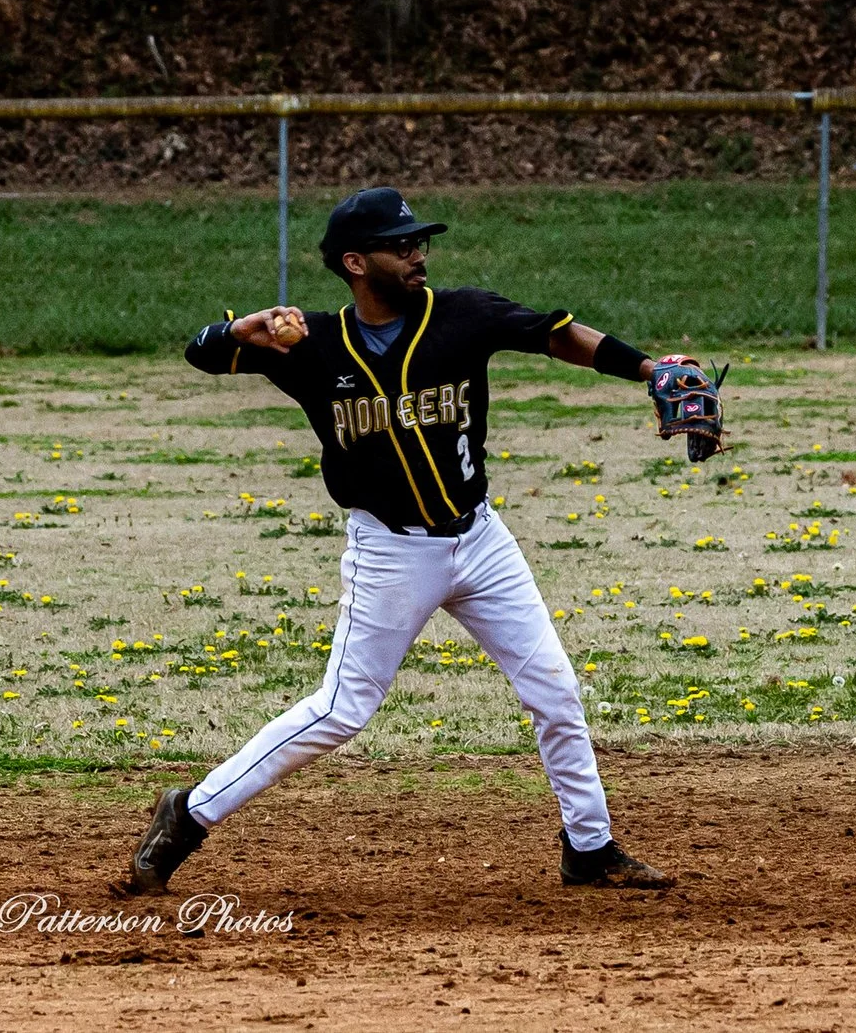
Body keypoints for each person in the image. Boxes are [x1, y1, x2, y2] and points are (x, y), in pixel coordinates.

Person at [118, 187, 720, 896]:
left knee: (555, 691)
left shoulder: (462, 315)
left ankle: (588, 848)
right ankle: (188, 814)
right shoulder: (308, 345)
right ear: (354, 262)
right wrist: (242, 328)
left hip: (481, 540)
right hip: (390, 551)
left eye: (418, 241)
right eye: (398, 245)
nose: (416, 253)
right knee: (341, 709)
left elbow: (556, 333)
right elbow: (201, 353)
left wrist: (648, 368)